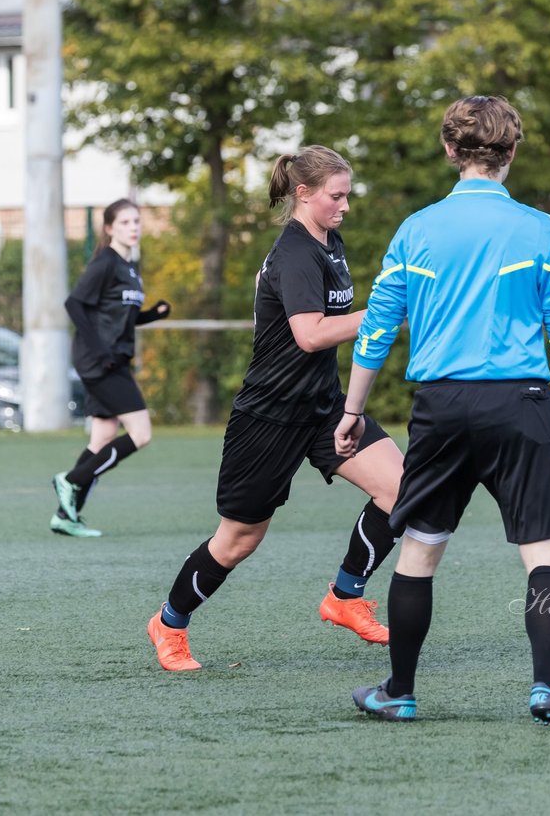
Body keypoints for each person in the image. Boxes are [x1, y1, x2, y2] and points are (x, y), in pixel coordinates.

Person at [336, 95, 550, 727]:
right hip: (521, 403)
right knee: (542, 550)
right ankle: (547, 686)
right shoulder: (539, 228)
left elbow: (377, 328)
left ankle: (399, 690)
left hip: (442, 407)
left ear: (451, 151)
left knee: (420, 551)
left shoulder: (416, 230)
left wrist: (353, 409)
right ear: (512, 154)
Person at [145, 144, 406, 671]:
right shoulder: (295, 254)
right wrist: (383, 311)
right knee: (239, 540)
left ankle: (345, 596)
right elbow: (309, 336)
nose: (345, 206)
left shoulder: (329, 241)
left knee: (403, 488)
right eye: (336, 196)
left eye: (348, 196)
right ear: (303, 194)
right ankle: (169, 624)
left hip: (322, 407)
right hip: (268, 417)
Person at [50, 199, 170, 538]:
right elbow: (74, 305)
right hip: (100, 361)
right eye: (126, 222)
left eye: (137, 221)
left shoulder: (129, 267)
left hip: (112, 358)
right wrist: (101, 352)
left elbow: (121, 316)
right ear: (109, 228)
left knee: (103, 437)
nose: (134, 227)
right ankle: (71, 480)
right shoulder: (105, 262)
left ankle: (65, 515)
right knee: (141, 434)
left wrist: (152, 315)